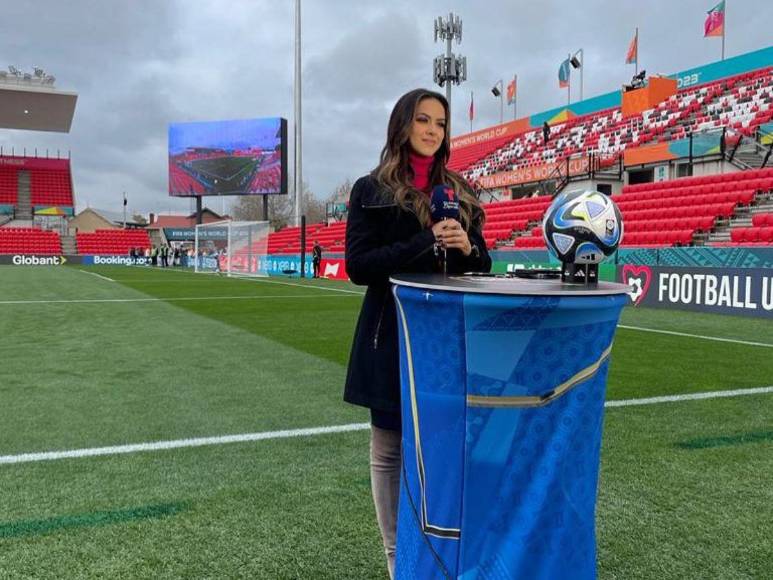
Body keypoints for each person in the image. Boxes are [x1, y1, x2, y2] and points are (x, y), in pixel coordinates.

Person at [344, 88, 491, 578]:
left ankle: (442, 550)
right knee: (388, 448)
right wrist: (424, 240)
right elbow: (360, 267)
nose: (432, 131)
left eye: (441, 123)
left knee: (446, 442)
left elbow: (485, 266)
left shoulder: (462, 192)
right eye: (423, 120)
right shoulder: (370, 189)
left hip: (450, 339)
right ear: (403, 125)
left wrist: (466, 246)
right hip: (392, 336)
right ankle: (396, 559)